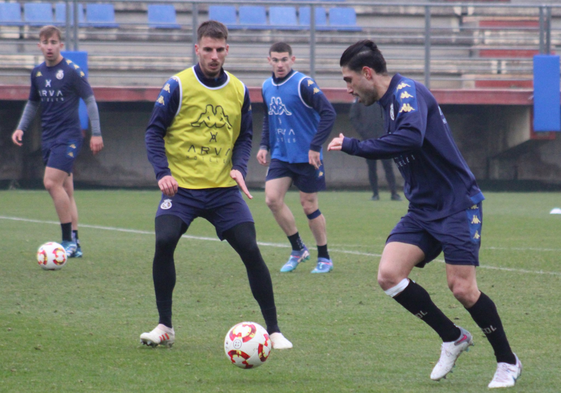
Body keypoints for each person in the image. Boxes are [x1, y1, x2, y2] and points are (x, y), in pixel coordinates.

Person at [328, 40, 521, 389]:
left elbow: (411, 138)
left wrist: (354, 146)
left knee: (462, 288)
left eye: (349, 79)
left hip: (457, 203)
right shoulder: (386, 102)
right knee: (389, 275)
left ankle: (508, 361)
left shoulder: (406, 93)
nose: (348, 89)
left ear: (367, 73)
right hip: (423, 208)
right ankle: (453, 337)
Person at [141, 21, 292, 350]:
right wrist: (162, 173)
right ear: (197, 49)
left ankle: (275, 330)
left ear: (227, 50)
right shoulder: (178, 85)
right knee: (164, 240)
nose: (213, 56)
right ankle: (165, 326)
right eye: (207, 49)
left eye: (219, 50)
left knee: (250, 248)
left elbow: (244, 136)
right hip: (181, 189)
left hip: (223, 191)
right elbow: (153, 132)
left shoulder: (238, 90)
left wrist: (239, 167)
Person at [11, 25, 104, 258]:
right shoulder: (38, 73)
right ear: (39, 45)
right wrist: (21, 128)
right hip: (48, 136)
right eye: (45, 42)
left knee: (51, 183)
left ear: (61, 45)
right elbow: (33, 103)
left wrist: (96, 132)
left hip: (69, 137)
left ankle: (66, 241)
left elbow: (90, 100)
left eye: (54, 42)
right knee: (66, 190)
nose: (49, 47)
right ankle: (76, 243)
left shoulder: (72, 71)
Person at [256, 42, 336, 274]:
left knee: (308, 205)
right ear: (269, 60)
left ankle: (324, 256)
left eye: (284, 59)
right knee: (272, 199)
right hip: (282, 154)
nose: (280, 64)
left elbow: (328, 113)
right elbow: (268, 117)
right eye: (275, 60)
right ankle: (298, 249)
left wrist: (314, 146)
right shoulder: (266, 86)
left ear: (292, 60)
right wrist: (264, 145)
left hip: (307, 156)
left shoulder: (304, 83)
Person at [349, 99, 401, 201]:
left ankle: (394, 193)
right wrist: (363, 132)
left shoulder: (383, 97)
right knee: (372, 167)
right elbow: (353, 117)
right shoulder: (360, 99)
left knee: (388, 166)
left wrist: (388, 131)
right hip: (369, 139)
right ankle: (375, 194)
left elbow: (394, 114)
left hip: (384, 139)